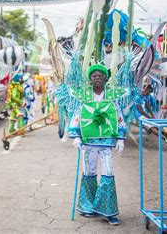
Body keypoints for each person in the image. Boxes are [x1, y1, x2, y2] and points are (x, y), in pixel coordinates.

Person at [69, 64, 126, 226]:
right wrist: (76, 136)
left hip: (106, 142)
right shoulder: (84, 96)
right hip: (88, 143)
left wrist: (121, 138)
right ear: (90, 78)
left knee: (108, 172)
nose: (98, 77)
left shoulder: (112, 96)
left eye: (101, 74)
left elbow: (118, 115)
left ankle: (108, 211)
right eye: (94, 75)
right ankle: (88, 206)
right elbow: (77, 114)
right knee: (88, 173)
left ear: (106, 78)